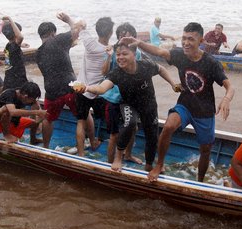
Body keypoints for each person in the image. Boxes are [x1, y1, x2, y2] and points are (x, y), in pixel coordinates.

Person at [120, 22, 235, 182]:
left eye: (191, 39)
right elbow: (160, 52)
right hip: (185, 105)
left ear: (201, 41)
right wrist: (139, 43)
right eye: (184, 38)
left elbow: (230, 86)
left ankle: (200, 181)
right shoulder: (179, 55)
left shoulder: (210, 63)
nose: (186, 43)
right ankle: (159, 165)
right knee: (168, 127)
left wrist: (226, 99)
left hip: (204, 111)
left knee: (206, 149)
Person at [76, 42, 178, 172]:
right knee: (130, 123)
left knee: (152, 135)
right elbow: (101, 88)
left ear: (134, 55)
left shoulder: (146, 65)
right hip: (128, 104)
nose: (120, 57)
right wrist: (86, 87)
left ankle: (149, 165)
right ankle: (118, 157)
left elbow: (161, 69)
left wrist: (173, 83)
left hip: (148, 104)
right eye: (118, 54)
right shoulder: (117, 73)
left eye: (125, 54)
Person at [35, 12, 84, 149]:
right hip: (70, 87)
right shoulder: (57, 40)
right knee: (83, 117)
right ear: (52, 33)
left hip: (51, 91)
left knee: (48, 119)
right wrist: (68, 19)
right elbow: (77, 29)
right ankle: (90, 141)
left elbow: (55, 56)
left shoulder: (37, 53)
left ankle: (45, 146)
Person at [101, 22, 144, 165]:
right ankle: (109, 163)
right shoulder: (114, 51)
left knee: (133, 128)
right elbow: (105, 73)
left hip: (130, 99)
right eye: (120, 37)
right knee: (114, 134)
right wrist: (108, 56)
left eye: (127, 37)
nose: (123, 40)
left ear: (133, 38)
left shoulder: (138, 54)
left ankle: (128, 155)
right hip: (113, 98)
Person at [74, 17, 115, 156]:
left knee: (81, 121)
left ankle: (81, 154)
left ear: (97, 31)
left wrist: (82, 24)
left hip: (80, 88)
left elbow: (78, 26)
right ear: (110, 32)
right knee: (109, 119)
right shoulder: (110, 51)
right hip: (98, 92)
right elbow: (107, 72)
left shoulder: (89, 43)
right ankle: (106, 145)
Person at [2, 17, 28, 90]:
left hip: (8, 79)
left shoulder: (8, 46)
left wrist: (20, 45)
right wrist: (10, 20)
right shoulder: (14, 46)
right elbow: (20, 37)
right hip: (17, 80)